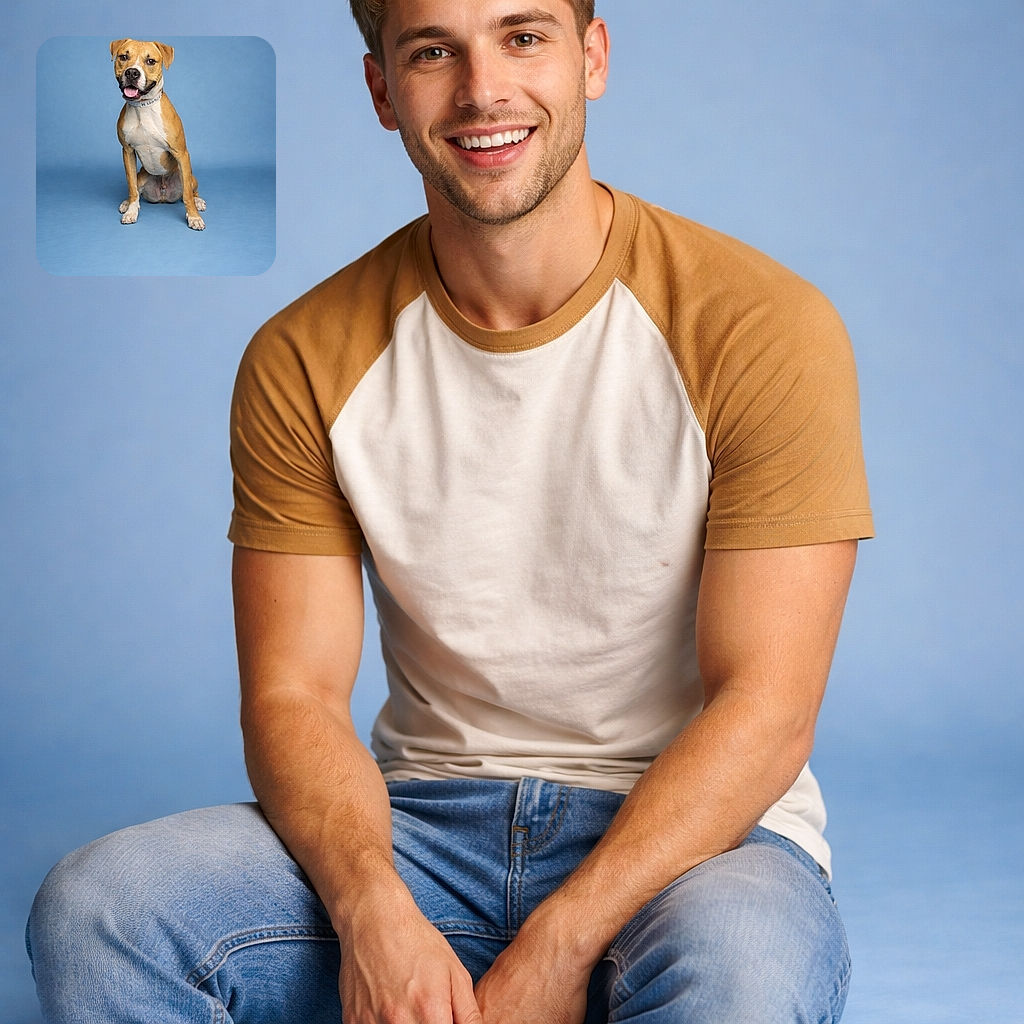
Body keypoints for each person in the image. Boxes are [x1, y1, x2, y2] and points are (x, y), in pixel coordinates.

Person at [27, 2, 874, 1021]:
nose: (483, 91)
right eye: (434, 51)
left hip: (694, 853)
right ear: (382, 89)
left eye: (524, 36)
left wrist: (561, 943)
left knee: (739, 971)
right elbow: (293, 694)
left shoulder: (759, 326)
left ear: (590, 57)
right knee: (101, 908)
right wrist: (373, 910)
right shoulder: (304, 358)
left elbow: (766, 708)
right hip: (419, 829)